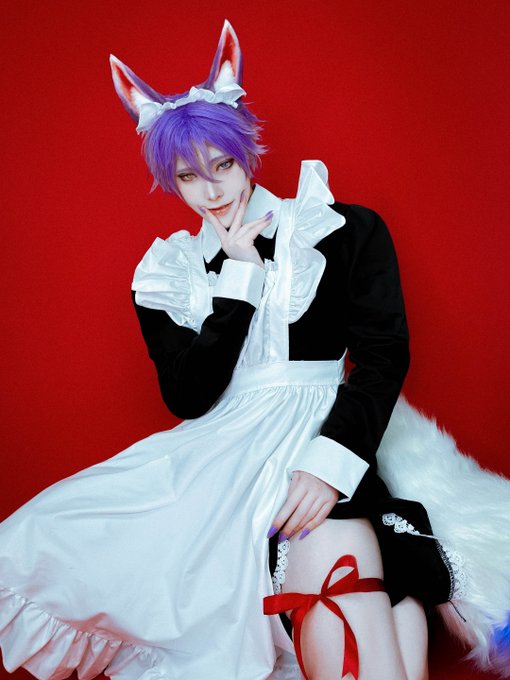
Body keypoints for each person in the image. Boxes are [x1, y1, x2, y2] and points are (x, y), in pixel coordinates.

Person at [0, 19, 508, 680]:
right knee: (39, 542)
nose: (211, 190)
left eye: (223, 165)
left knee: (382, 626)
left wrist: (330, 464)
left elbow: (384, 355)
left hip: (322, 444)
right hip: (214, 471)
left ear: (247, 152)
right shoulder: (167, 273)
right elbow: (188, 395)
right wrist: (238, 282)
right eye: (188, 176)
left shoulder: (341, 230)